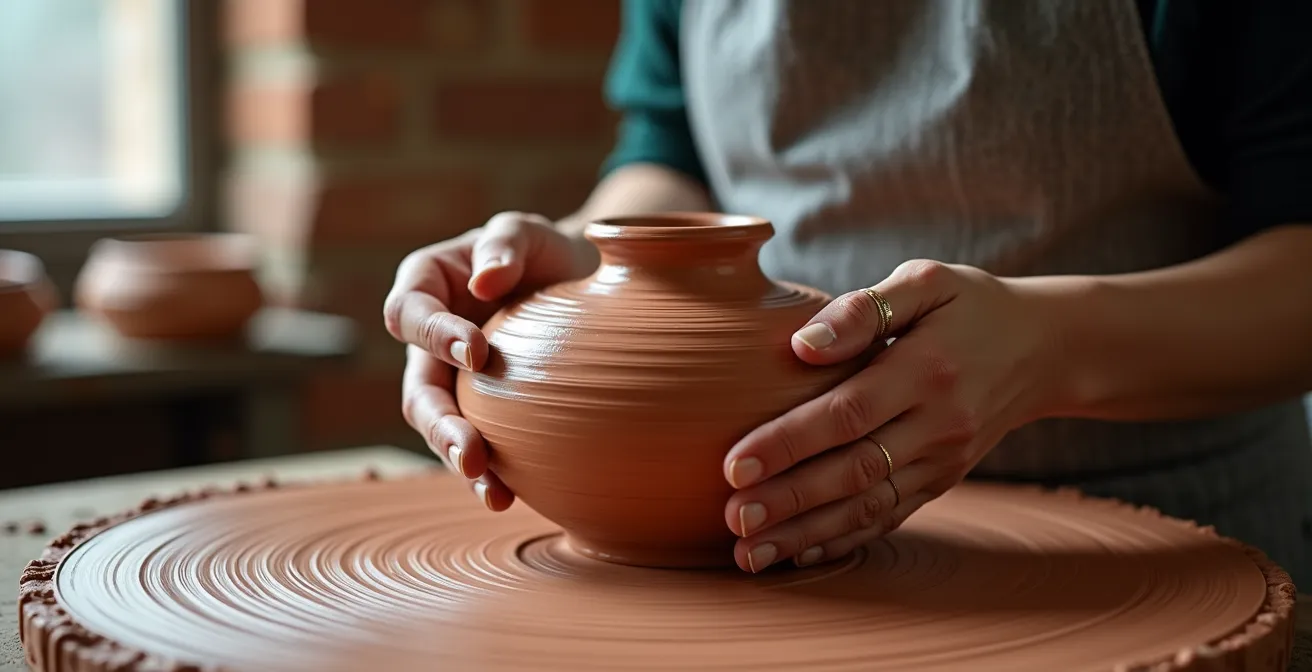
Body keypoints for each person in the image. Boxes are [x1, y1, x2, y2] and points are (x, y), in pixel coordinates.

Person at [384, 0, 1312, 585]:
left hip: (1146, 549)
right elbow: (672, 156)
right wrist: (581, 270)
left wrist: (1049, 349)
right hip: (760, 557)